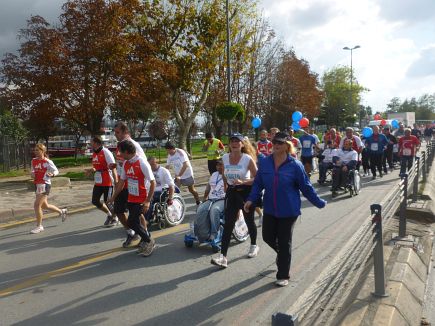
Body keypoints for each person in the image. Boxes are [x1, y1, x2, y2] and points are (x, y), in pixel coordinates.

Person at [244, 132, 326, 287]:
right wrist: (250, 199)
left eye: (280, 142)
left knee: (284, 242)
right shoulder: (265, 163)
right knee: (268, 236)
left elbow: (306, 187)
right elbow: (258, 184)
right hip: (270, 208)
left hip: (289, 210)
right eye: (275, 141)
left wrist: (318, 202)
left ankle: (283, 274)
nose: (276, 144)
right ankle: (282, 255)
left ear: (287, 146)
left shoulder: (295, 165)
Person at [211, 133, 259, 268]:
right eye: (232, 141)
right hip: (232, 193)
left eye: (237, 141)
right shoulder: (225, 157)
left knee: (249, 220)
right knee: (228, 224)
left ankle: (254, 245)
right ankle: (223, 257)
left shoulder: (247, 159)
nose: (234, 143)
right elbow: (224, 173)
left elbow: (257, 178)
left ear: (242, 144)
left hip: (245, 193)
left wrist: (243, 181)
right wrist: (226, 186)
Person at [109, 140, 156, 256]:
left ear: (126, 152)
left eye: (121, 152)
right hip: (131, 197)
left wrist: (147, 201)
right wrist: (113, 197)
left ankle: (149, 240)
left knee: (131, 222)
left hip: (142, 197)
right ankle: (146, 240)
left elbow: (153, 182)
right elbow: (121, 182)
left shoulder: (142, 163)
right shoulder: (126, 163)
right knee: (134, 222)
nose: (119, 155)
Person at [110, 121, 148, 247]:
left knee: (137, 213)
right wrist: (115, 165)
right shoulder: (119, 145)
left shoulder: (133, 145)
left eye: (118, 132)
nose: (115, 135)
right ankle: (131, 232)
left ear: (125, 132)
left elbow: (142, 163)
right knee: (118, 211)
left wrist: (143, 185)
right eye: (114, 132)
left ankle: (145, 235)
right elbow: (124, 162)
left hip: (134, 185)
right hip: (122, 183)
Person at [30, 143, 67, 234]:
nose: (35, 152)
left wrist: (52, 174)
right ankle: (62, 211)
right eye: (35, 150)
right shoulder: (33, 161)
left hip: (45, 184)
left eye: (37, 150)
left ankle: (39, 226)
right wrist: (32, 173)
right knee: (44, 205)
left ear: (42, 151)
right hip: (37, 184)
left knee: (37, 205)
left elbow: (56, 170)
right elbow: (32, 170)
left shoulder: (47, 161)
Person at [86, 136, 118, 226]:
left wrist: (116, 180)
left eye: (91, 142)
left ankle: (115, 217)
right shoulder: (95, 153)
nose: (90, 144)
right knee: (95, 201)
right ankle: (109, 214)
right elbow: (96, 167)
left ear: (96, 143)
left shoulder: (106, 152)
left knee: (108, 201)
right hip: (98, 181)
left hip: (108, 181)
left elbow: (113, 166)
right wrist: (91, 170)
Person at [199, 159, 226, 240]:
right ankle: (201, 232)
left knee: (214, 210)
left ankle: (215, 233)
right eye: (218, 165)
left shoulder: (229, 175)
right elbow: (208, 187)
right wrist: (204, 198)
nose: (219, 167)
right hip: (211, 199)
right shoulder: (214, 174)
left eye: (221, 165)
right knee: (201, 209)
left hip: (223, 199)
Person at [145, 156, 176, 222]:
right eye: (149, 165)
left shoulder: (164, 171)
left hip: (161, 191)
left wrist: (170, 198)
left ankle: (147, 219)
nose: (150, 166)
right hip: (149, 191)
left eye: (151, 164)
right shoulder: (147, 171)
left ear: (156, 163)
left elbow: (171, 185)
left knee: (149, 200)